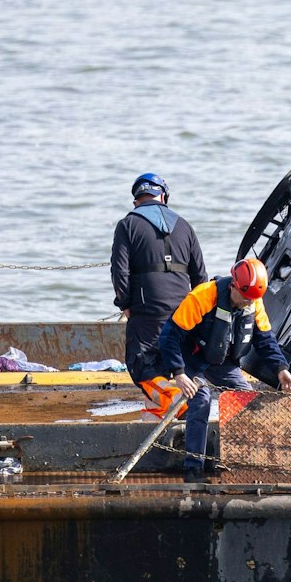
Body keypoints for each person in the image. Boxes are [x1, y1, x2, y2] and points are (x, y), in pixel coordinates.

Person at [154, 257, 291, 481]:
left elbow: (265, 340)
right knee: (201, 400)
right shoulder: (202, 297)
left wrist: (281, 369)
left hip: (222, 361)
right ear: (233, 286)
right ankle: (193, 468)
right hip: (192, 358)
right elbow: (169, 337)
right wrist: (179, 373)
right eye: (246, 298)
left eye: (253, 299)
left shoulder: (254, 302)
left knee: (248, 399)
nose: (249, 303)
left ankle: (243, 461)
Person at [111, 172, 207, 413]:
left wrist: (125, 303)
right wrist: (197, 313)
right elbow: (200, 276)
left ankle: (177, 404)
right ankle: (168, 406)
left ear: (136, 201)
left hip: (147, 309)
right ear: (163, 197)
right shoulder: (184, 225)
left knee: (142, 365)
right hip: (183, 309)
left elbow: (119, 271)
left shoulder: (127, 225)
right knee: (171, 360)